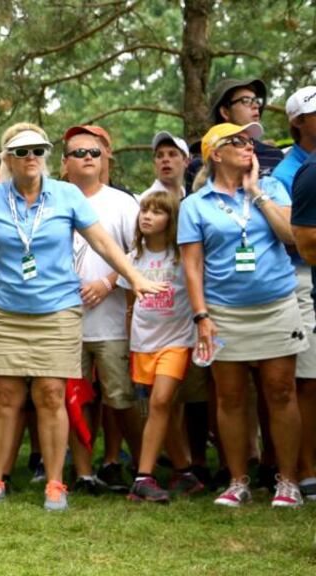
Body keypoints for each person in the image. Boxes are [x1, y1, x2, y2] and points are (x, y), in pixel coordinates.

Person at [0, 122, 165, 511]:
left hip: (57, 312)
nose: (32, 157)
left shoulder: (66, 194)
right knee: (4, 397)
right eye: (22, 151)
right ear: (9, 159)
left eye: (38, 150)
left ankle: (55, 482)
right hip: (6, 312)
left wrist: (134, 277)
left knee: (51, 395)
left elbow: (102, 241)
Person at [181, 122, 305, 508]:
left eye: (249, 140)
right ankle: (237, 480)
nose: (247, 145)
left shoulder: (271, 188)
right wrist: (201, 316)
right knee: (231, 398)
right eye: (237, 141)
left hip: (276, 305)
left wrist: (256, 193)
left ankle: (287, 482)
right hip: (223, 312)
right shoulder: (194, 205)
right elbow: (191, 266)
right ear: (215, 154)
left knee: (281, 392)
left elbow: (291, 236)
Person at [63, 125, 142, 494]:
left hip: (110, 322)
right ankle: (83, 474)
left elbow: (139, 251)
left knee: (121, 399)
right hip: (65, 322)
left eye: (94, 152)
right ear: (64, 164)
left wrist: (108, 281)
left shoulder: (122, 202)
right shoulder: (53, 200)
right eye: (79, 153)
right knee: (75, 399)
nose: (89, 157)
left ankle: (143, 472)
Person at [121, 190, 205, 503]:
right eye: (144, 210)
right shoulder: (132, 258)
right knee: (160, 408)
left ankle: (143, 477)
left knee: (160, 402)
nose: (147, 216)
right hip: (143, 343)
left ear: (171, 220)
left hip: (176, 341)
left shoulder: (183, 256)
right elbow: (131, 304)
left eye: (156, 212)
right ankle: (184, 471)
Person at [277, 86, 316, 500]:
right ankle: (306, 469)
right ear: (299, 122)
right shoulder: (287, 173)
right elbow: (296, 239)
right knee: (308, 380)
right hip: (303, 282)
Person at [185, 78, 284, 187]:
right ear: (225, 112)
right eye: (246, 101)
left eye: (256, 101)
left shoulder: (274, 155)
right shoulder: (199, 164)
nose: (256, 106)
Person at [141, 132, 190, 199]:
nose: (165, 160)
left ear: (186, 161)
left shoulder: (190, 200)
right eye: (159, 156)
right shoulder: (147, 201)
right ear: (154, 163)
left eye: (172, 154)